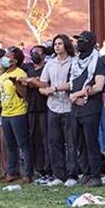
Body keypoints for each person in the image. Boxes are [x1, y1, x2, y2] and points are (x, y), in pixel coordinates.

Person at [69, 31, 105, 187]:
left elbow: (98, 86)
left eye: (82, 41)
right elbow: (71, 83)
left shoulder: (98, 62)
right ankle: (85, 172)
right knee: (79, 142)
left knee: (91, 141)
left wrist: (77, 95)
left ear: (91, 43)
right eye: (78, 41)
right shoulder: (75, 62)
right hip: (76, 107)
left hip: (90, 107)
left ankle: (95, 174)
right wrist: (71, 95)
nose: (79, 44)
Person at [40, 34, 79, 187]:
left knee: (70, 142)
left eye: (60, 44)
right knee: (54, 142)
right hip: (53, 106)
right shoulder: (50, 64)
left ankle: (72, 174)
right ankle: (58, 174)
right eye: (55, 44)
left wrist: (56, 88)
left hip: (68, 106)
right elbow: (43, 85)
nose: (57, 46)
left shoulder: (74, 63)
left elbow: (73, 83)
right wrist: (45, 91)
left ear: (66, 45)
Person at [0, 48, 33, 183]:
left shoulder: (20, 73)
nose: (5, 58)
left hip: (18, 112)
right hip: (5, 113)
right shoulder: (2, 76)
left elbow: (25, 94)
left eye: (8, 56)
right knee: (10, 145)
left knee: (23, 144)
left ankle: (27, 174)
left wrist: (17, 84)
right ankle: (12, 172)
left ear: (15, 60)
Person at [22, 45, 52, 184]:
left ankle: (48, 168)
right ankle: (38, 168)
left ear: (44, 55)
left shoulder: (48, 68)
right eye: (33, 52)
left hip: (45, 108)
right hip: (31, 108)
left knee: (46, 140)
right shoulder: (28, 68)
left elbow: (45, 85)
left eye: (38, 53)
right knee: (34, 139)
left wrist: (34, 82)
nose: (35, 55)